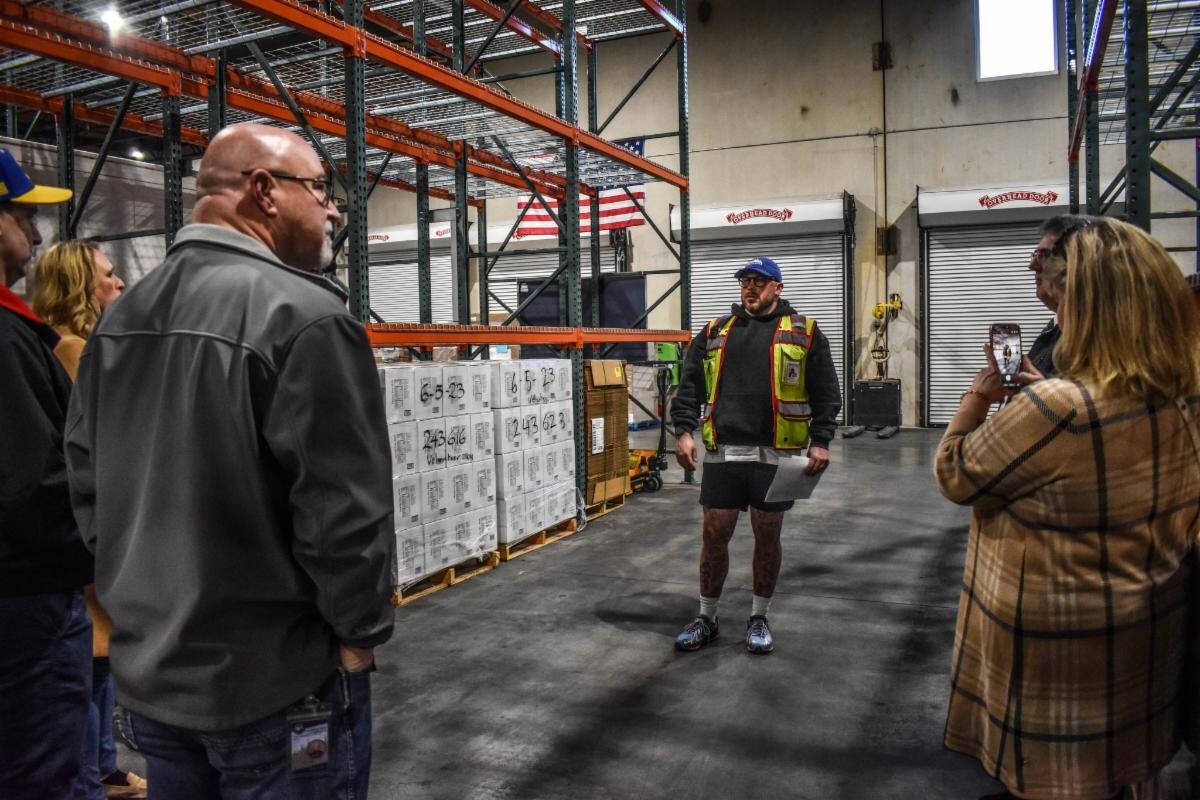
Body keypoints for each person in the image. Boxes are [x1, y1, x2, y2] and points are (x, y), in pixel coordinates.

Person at [64, 123, 397, 798]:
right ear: (264, 191)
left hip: (155, 685)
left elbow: (87, 485)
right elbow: (343, 513)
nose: (333, 211)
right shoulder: (306, 317)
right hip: (277, 688)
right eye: (320, 190)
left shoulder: (119, 323)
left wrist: (143, 602)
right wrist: (360, 634)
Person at [935, 217, 1200, 800]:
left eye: (1056, 279)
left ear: (1088, 302)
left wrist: (980, 393)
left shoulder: (1061, 408)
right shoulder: (1181, 396)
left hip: (1061, 666)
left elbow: (955, 472)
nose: (1040, 277)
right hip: (1140, 650)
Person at [669, 256, 842, 654]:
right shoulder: (715, 331)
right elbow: (689, 386)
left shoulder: (804, 331)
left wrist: (821, 440)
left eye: (759, 281)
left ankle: (759, 617)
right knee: (714, 535)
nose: (750, 287)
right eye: (745, 280)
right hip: (724, 454)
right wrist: (683, 432)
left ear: (777, 287)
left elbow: (826, 392)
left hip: (776, 456)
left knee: (768, 536)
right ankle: (707, 618)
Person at [31, 241, 144, 800]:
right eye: (106, 275)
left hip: (83, 523)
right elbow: (97, 442)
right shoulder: (74, 349)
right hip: (88, 526)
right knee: (93, 657)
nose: (118, 283)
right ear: (80, 285)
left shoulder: (67, 343)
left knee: (97, 655)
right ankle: (98, 769)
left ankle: (103, 766)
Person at [0, 148, 93, 798]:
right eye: (23, 217)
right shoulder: (8, 339)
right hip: (27, 604)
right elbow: (30, 487)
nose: (35, 237)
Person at [1025, 214, 1093, 378]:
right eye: (1035, 254)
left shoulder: (1095, 336)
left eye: (1045, 255)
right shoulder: (1054, 329)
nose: (1032, 265)